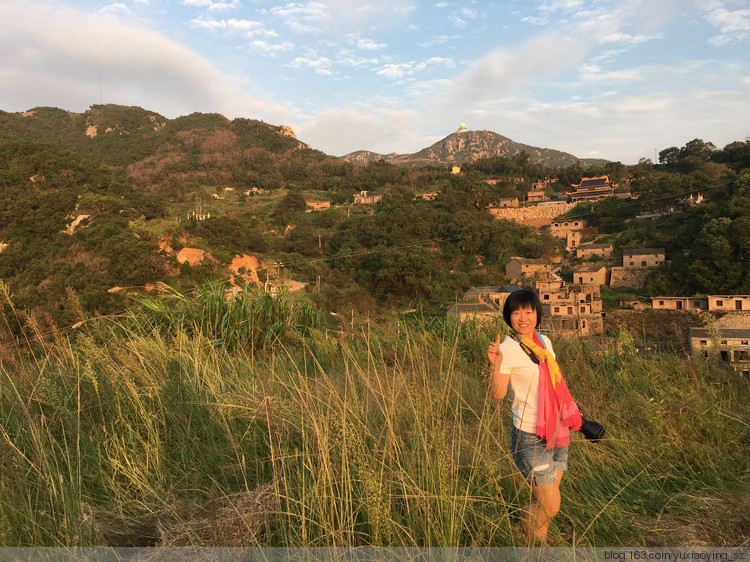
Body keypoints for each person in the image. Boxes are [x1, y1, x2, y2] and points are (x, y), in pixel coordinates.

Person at [487, 289, 582, 545]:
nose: (523, 318)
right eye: (516, 313)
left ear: (537, 314)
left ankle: (536, 547)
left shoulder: (544, 342)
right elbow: (497, 394)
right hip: (530, 437)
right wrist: (496, 365)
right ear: (509, 317)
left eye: (528, 312)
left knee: (543, 500)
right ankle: (523, 528)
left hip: (557, 430)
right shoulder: (508, 348)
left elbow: (554, 382)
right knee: (550, 506)